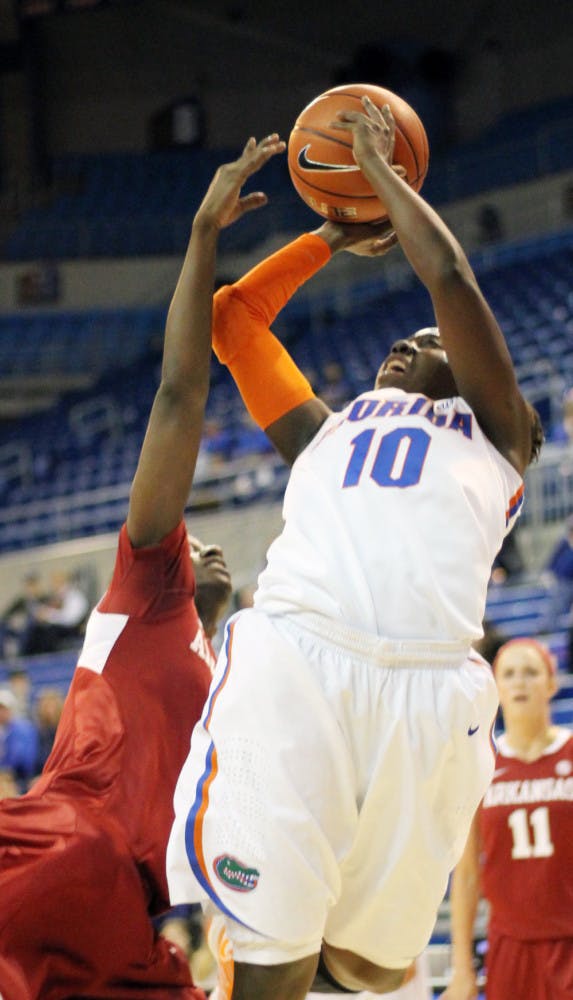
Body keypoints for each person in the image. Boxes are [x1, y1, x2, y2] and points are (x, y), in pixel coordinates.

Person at [167, 97, 543, 999]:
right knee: (276, 944)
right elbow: (234, 323)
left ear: (462, 369)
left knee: (369, 965)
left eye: (419, 344)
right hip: (297, 655)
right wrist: (334, 234)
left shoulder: (499, 435)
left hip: (429, 685)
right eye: (395, 341)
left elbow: (448, 278)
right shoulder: (324, 433)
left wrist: (382, 177)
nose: (399, 346)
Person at [0, 133, 285, 1000]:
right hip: (59, 847)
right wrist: (203, 240)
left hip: (123, 910)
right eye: (184, 534)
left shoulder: (237, 682)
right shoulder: (147, 589)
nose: (202, 542)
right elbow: (178, 397)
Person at [441, 637, 573, 1000]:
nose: (519, 682)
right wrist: (463, 969)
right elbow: (466, 874)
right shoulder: (482, 763)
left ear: (551, 684)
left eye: (530, 672)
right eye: (509, 674)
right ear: (496, 687)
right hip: (509, 947)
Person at [0, 687, 39, 792]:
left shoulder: (24, 729)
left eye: (3, 708)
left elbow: (25, 759)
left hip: (20, 779)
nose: (1, 712)